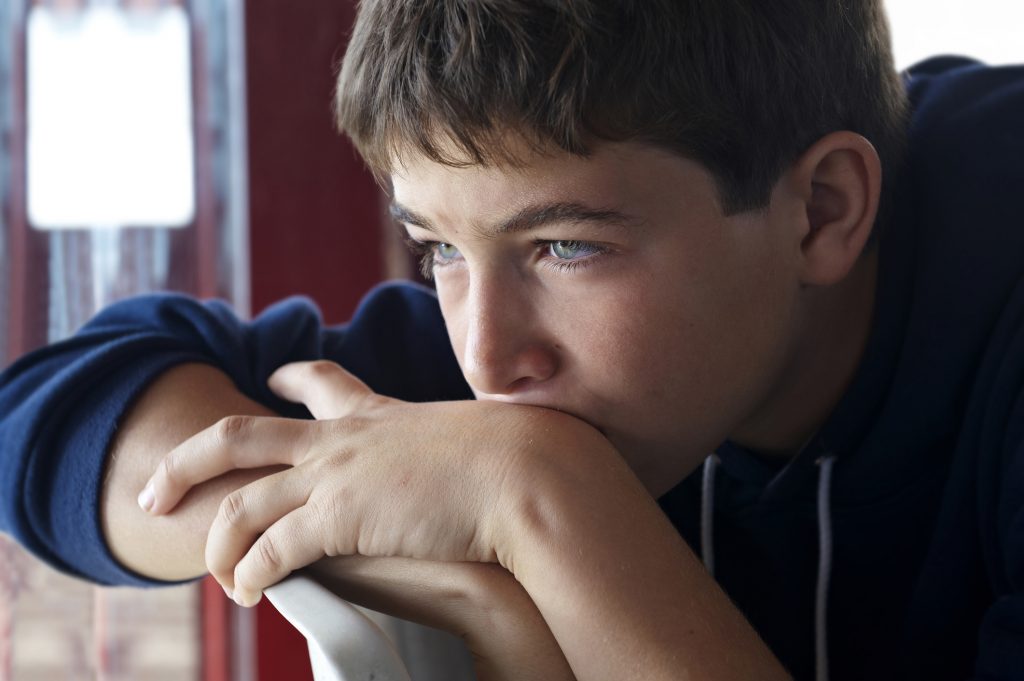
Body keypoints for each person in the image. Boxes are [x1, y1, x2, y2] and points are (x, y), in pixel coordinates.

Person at [2, 1, 1022, 679]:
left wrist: (540, 503)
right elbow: (51, 417)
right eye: (437, 247)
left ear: (821, 211)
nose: (487, 361)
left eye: (566, 247)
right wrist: (473, 572)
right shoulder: (547, 359)